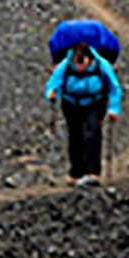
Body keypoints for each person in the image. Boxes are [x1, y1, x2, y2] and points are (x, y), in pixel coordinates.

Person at [44, 18, 122, 186]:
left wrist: (114, 109)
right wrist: (51, 94)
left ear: (89, 58)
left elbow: (114, 86)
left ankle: (93, 173)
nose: (80, 68)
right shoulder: (66, 64)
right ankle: (76, 173)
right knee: (75, 137)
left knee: (92, 133)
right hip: (71, 103)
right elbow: (54, 80)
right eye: (77, 64)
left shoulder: (101, 65)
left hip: (95, 103)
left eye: (83, 64)